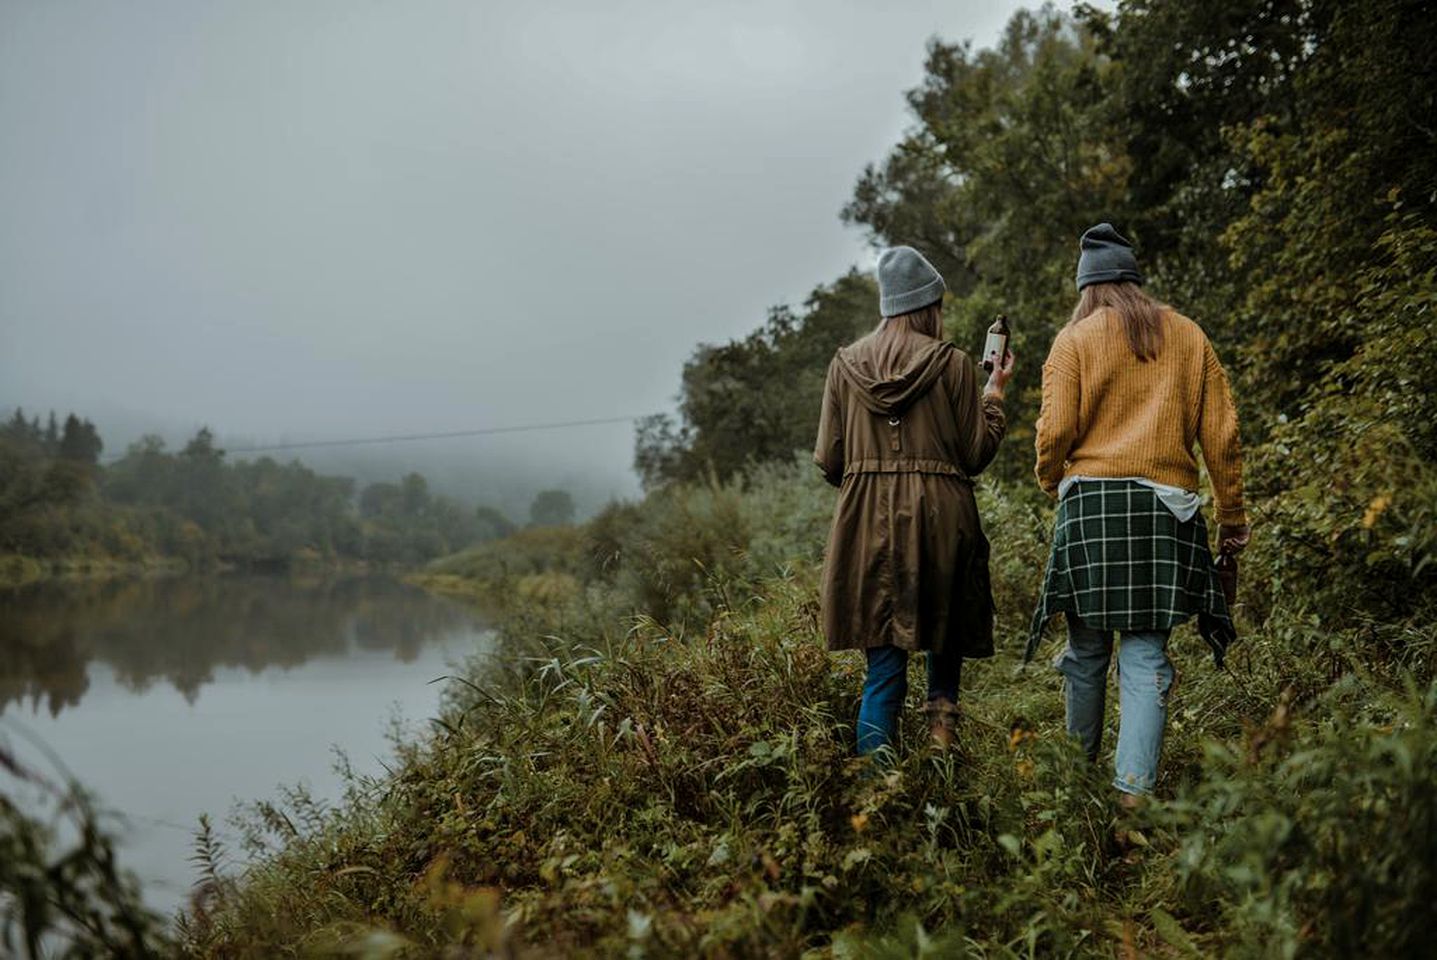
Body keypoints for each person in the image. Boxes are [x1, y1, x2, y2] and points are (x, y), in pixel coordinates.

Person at [1029, 222, 1250, 800]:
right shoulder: (1187, 336)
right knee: (1147, 655)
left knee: (1084, 652)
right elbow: (1222, 437)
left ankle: (1078, 779)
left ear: (1087, 288)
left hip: (1092, 509)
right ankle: (1133, 794)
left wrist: (1052, 480)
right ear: (1133, 279)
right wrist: (1232, 516)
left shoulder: (1072, 341)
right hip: (1164, 511)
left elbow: (1054, 430)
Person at [814, 246, 1012, 757]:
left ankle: (878, 802)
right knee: (943, 645)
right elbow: (974, 453)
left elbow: (829, 460)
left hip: (867, 524)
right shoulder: (953, 364)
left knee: (882, 666)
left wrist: (875, 481)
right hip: (944, 519)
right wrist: (994, 394)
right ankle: (942, 770)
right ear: (929, 307)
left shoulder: (843, 367)